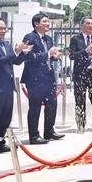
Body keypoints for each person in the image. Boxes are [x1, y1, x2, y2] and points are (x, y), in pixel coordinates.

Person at [0, 18, 31, 157]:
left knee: (5, 117)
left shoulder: (6, 44)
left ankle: (0, 142)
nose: (4, 31)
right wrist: (14, 53)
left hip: (8, 87)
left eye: (5, 28)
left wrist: (22, 53)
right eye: (0, 28)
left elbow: (14, 61)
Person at [21, 13, 64, 144]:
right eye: (44, 21)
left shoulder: (49, 38)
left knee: (52, 104)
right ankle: (34, 136)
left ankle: (49, 131)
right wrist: (47, 54)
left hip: (48, 77)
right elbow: (28, 57)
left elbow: (49, 56)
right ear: (36, 24)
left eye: (48, 21)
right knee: (35, 107)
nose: (47, 24)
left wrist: (54, 56)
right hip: (34, 79)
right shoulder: (29, 37)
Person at [69, 16, 92, 133]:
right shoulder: (75, 39)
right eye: (88, 23)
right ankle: (81, 124)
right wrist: (85, 51)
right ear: (82, 25)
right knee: (80, 99)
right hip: (80, 74)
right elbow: (72, 55)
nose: (91, 26)